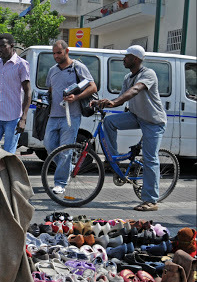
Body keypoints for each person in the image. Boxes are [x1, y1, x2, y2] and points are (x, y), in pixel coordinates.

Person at [93, 45, 167, 211]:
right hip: (136, 116)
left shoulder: (148, 74)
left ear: (136, 59)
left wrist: (115, 102)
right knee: (109, 122)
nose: (124, 59)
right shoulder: (128, 77)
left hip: (153, 121)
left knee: (150, 159)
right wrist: (104, 102)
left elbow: (135, 90)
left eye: (127, 56)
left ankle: (151, 200)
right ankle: (114, 160)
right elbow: (121, 97)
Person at [44, 40, 97, 194]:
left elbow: (93, 87)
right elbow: (51, 89)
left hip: (71, 116)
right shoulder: (52, 70)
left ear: (67, 51)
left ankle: (60, 182)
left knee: (66, 150)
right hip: (53, 115)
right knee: (49, 146)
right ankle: (68, 168)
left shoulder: (77, 67)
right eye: (54, 53)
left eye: (59, 53)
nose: (56, 56)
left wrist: (77, 97)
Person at [0, 33, 31, 154]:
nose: (0, 49)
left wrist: (23, 118)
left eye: (3, 46)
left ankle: (7, 174)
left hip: (13, 118)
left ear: (12, 46)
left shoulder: (21, 64)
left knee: (8, 154)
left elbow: (27, 92)